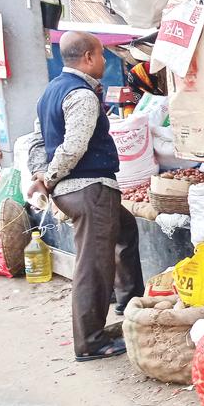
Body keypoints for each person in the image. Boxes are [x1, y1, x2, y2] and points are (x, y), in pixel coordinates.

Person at [27, 31, 144, 362]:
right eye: (102, 55)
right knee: (93, 265)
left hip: (75, 191)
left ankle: (130, 304)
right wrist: (47, 179)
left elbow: (37, 141)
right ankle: (90, 341)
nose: (105, 62)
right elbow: (74, 147)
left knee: (125, 230)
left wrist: (41, 174)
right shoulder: (81, 95)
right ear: (89, 57)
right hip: (89, 190)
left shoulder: (50, 92)